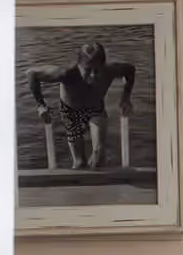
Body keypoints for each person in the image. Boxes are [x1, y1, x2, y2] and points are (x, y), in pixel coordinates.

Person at [30, 41, 137, 171]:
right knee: (80, 164)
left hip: (95, 109)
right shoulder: (66, 73)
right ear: (78, 65)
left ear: (103, 65)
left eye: (97, 70)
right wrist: (41, 105)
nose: (92, 76)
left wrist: (126, 98)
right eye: (87, 70)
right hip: (71, 113)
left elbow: (130, 70)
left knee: (99, 157)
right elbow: (32, 73)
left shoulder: (110, 70)